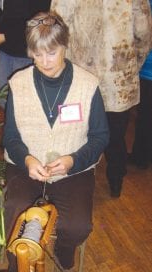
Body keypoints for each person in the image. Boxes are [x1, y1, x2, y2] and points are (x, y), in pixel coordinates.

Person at [3, 11, 109, 272]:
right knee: (15, 217)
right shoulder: (18, 84)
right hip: (25, 167)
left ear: (64, 46)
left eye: (51, 53)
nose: (44, 62)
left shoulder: (88, 85)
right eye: (37, 54)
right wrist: (27, 160)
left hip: (73, 170)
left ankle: (64, 248)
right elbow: (11, 137)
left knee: (77, 226)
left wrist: (72, 160)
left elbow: (100, 137)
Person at [51, 0, 151, 197]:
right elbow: (143, 35)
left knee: (77, 133)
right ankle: (115, 181)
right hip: (118, 78)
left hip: (80, 78)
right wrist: (132, 66)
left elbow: (56, 31)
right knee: (116, 135)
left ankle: (78, 183)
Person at [0, 0, 51, 108]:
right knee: (4, 100)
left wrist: (7, 36)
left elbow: (38, 21)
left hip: (25, 53)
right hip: (5, 51)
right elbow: (2, 11)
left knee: (21, 102)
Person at [128, 0, 152, 169]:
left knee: (146, 116)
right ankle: (141, 155)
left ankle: (141, 157)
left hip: (146, 68)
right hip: (146, 67)